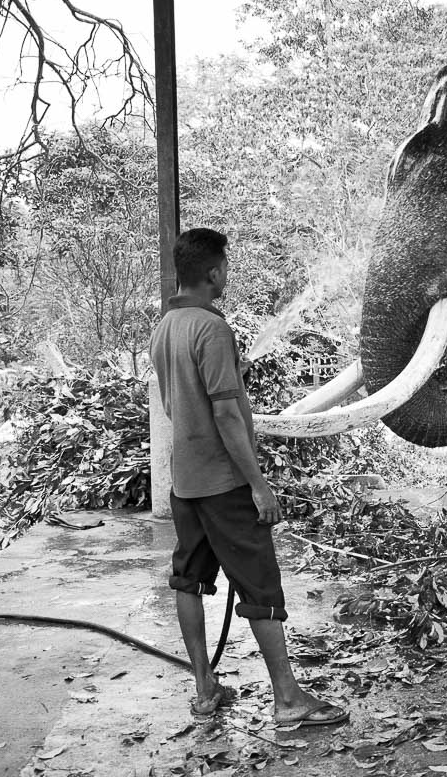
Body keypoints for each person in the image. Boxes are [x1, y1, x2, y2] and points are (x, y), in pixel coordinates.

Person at [149, 227, 348, 726]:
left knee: (187, 579)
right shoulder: (211, 330)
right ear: (213, 272)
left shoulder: (166, 326)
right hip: (224, 484)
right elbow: (226, 414)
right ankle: (288, 700)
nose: (226, 275)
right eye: (226, 267)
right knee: (261, 588)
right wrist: (258, 484)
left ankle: (204, 688)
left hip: (185, 483)